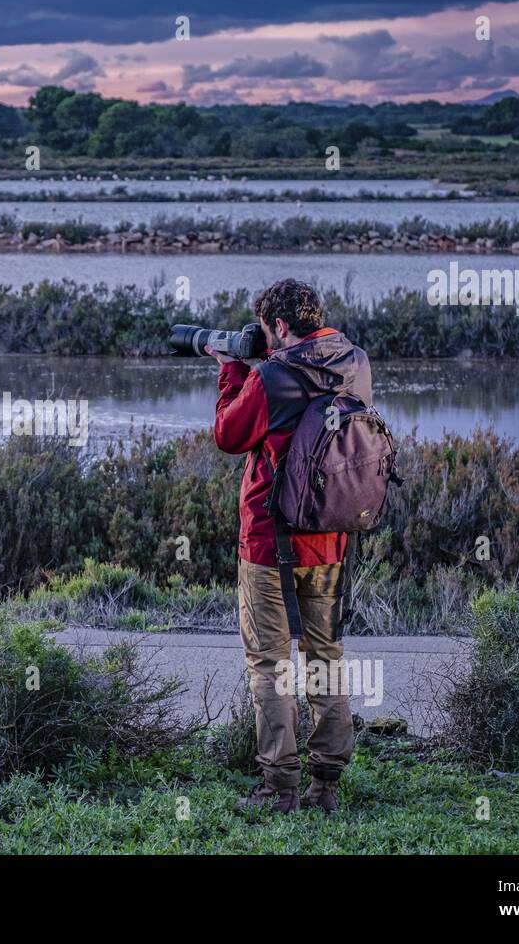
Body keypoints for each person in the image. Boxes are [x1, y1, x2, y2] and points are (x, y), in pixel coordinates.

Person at [207, 278, 373, 813]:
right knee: (326, 656)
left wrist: (232, 368)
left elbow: (229, 436)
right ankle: (326, 785)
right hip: (332, 539)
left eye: (265, 331)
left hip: (268, 545)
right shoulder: (355, 363)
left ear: (279, 326)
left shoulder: (272, 377)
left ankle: (280, 789)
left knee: (271, 665)